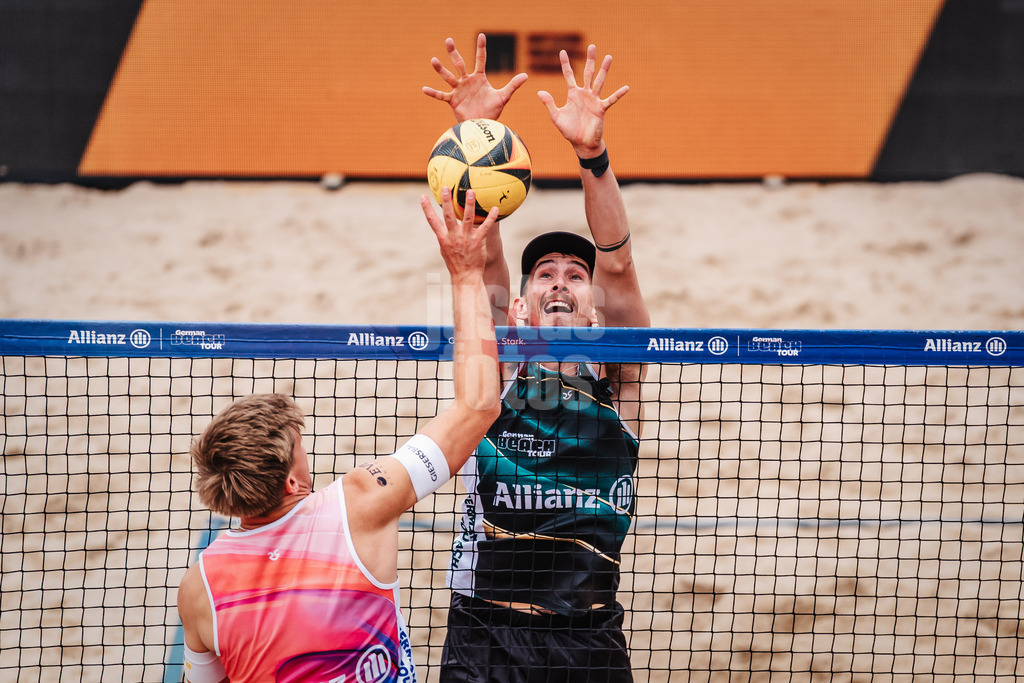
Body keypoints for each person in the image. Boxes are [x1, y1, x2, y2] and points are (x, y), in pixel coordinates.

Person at [175, 189, 502, 683]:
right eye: (298, 443)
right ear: (290, 482)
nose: (306, 447)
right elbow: (478, 405)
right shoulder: (360, 503)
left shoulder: (198, 588)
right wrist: (465, 273)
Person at [424, 34, 650, 683]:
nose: (557, 280)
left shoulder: (620, 381)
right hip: (485, 633)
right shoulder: (496, 372)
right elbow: (482, 256)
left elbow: (622, 265)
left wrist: (592, 155)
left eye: (575, 275)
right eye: (542, 273)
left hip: (589, 638)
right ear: (517, 309)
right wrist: (477, 136)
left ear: (595, 309)